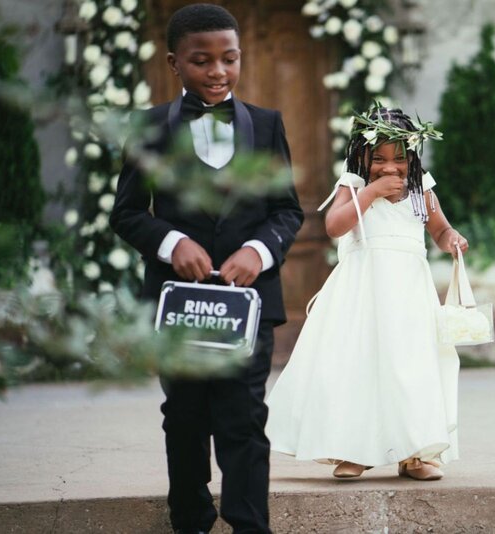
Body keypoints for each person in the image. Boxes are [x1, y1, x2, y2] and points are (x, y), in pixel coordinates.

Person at [109, 4, 303, 533]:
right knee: (186, 417)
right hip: (180, 305)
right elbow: (125, 213)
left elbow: (287, 209)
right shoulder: (147, 128)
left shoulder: (266, 125)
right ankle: (190, 520)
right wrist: (172, 244)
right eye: (202, 61)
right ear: (175, 63)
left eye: (229, 58)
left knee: (244, 419)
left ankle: (249, 525)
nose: (218, 71)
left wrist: (257, 251)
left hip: (249, 304)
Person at [265, 106, 466, 481]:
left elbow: (440, 230)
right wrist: (370, 192)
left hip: (408, 297)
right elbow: (334, 226)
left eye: (399, 159)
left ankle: (414, 453)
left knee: (410, 369)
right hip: (362, 295)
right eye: (379, 159)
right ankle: (356, 449)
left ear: (413, 158)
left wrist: (451, 239)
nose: (390, 168)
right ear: (362, 157)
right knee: (358, 367)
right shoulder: (353, 186)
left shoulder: (422, 188)